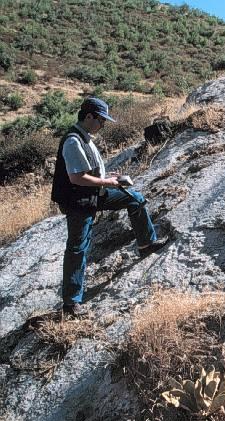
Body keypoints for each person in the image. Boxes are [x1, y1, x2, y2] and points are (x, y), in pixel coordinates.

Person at [51, 97, 168, 317]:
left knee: (135, 198)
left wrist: (108, 177)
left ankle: (146, 244)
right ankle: (71, 304)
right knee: (77, 248)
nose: (103, 124)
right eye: (101, 119)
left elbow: (89, 171)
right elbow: (77, 178)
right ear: (88, 117)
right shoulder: (73, 141)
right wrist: (109, 182)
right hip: (80, 202)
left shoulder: (86, 138)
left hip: (95, 195)